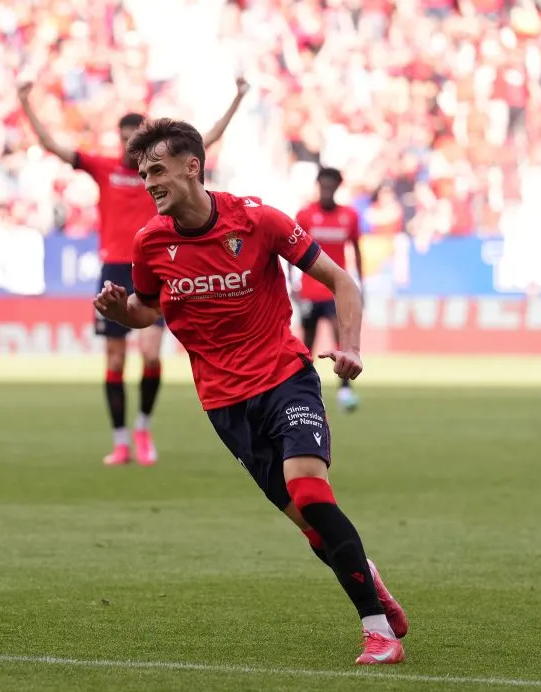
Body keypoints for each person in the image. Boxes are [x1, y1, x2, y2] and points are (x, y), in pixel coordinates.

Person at [93, 118, 408, 665]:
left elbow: (342, 281)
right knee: (310, 523)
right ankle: (368, 577)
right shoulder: (150, 242)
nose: (149, 183)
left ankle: (377, 631)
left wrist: (352, 345)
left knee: (310, 491)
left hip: (285, 377)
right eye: (143, 174)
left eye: (158, 170)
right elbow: (146, 310)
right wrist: (125, 313)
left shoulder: (258, 221)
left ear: (193, 166)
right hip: (223, 402)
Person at [18, 77, 250, 466]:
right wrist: (26, 103)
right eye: (125, 137)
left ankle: (143, 427)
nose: (130, 145)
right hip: (113, 267)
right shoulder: (103, 166)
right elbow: (51, 147)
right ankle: (121, 439)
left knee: (150, 352)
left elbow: (206, 139)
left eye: (135, 138)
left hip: (156, 265)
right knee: (114, 360)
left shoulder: (161, 171)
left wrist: (237, 99)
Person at [293, 167, 364, 412]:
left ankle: (344, 389)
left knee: (342, 338)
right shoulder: (305, 215)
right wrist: (294, 284)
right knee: (307, 343)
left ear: (337, 187)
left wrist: (359, 283)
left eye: (330, 185)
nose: (326, 189)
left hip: (335, 291)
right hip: (310, 290)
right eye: (323, 184)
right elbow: (291, 250)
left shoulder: (349, 216)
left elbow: (355, 248)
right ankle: (304, 390)